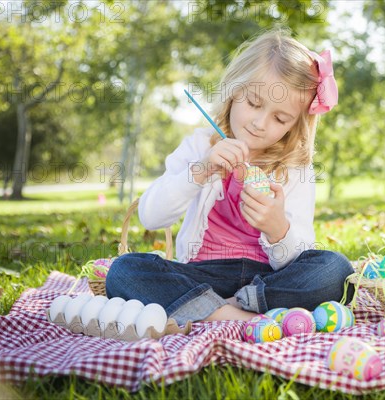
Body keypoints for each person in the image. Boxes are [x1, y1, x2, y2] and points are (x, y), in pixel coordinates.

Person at [106, 29, 354, 325]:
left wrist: (278, 229)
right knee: (124, 271)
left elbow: (298, 257)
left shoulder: (294, 168)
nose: (260, 123)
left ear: (295, 124)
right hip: (201, 275)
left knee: (335, 270)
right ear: (234, 90)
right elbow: (151, 217)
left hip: (266, 281)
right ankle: (235, 315)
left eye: (280, 118)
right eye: (253, 103)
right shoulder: (199, 146)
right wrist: (200, 170)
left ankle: (220, 308)